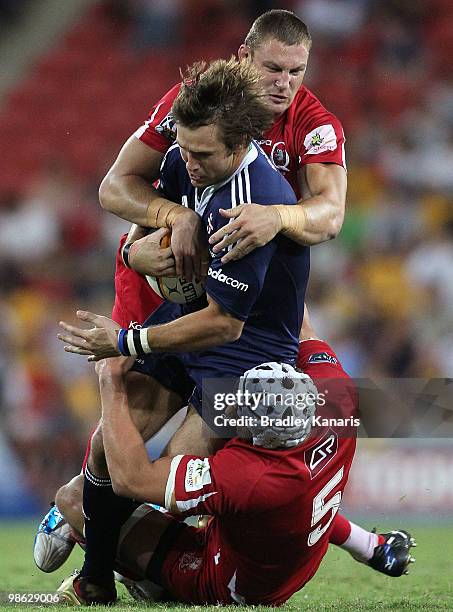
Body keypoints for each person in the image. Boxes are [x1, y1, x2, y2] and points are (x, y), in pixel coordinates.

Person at [56, 315, 413, 606]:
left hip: (228, 581)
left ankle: (136, 576)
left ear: (252, 434)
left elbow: (131, 480)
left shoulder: (247, 476)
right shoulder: (336, 394)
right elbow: (299, 324)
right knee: (289, 507)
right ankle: (368, 545)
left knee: (74, 499)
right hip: (289, 546)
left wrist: (110, 378)